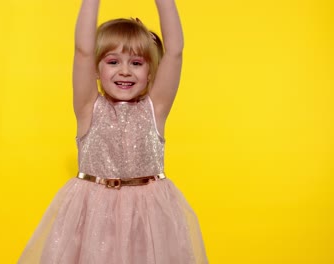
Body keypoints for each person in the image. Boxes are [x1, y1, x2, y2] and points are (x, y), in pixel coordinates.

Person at [18, 0, 208, 263]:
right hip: (94, 219)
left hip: (148, 221)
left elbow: (175, 50)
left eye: (137, 63)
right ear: (96, 69)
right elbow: (83, 50)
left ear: (151, 71)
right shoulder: (88, 107)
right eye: (113, 61)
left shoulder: (156, 108)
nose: (125, 71)